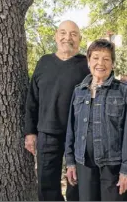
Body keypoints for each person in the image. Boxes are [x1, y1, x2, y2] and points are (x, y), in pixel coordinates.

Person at [65, 39, 127, 201]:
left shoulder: (123, 90)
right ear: (89, 61)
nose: (100, 63)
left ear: (112, 64)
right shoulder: (79, 91)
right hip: (84, 165)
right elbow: (71, 130)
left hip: (113, 166)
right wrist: (70, 162)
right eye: (96, 58)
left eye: (106, 59)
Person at [24, 20, 90, 201]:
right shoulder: (44, 62)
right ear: (56, 36)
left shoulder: (88, 65)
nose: (67, 37)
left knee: (76, 186)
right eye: (63, 33)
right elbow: (32, 99)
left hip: (79, 136)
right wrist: (30, 132)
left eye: (73, 34)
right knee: (46, 186)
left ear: (80, 39)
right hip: (47, 133)